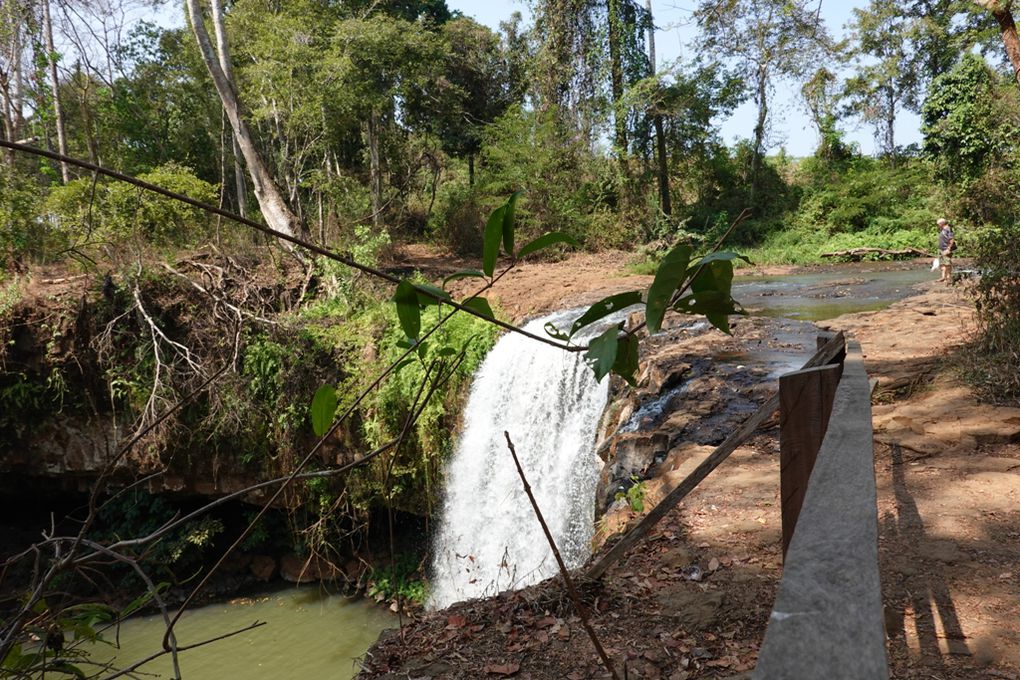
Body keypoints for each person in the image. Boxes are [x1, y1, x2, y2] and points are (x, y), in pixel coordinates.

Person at [937, 218, 956, 284]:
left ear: (942, 223)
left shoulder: (948, 229)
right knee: (942, 264)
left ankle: (948, 277)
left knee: (947, 264)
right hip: (941, 249)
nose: (938, 225)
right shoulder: (942, 230)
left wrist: (948, 249)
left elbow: (952, 240)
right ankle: (943, 277)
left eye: (938, 224)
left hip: (946, 249)